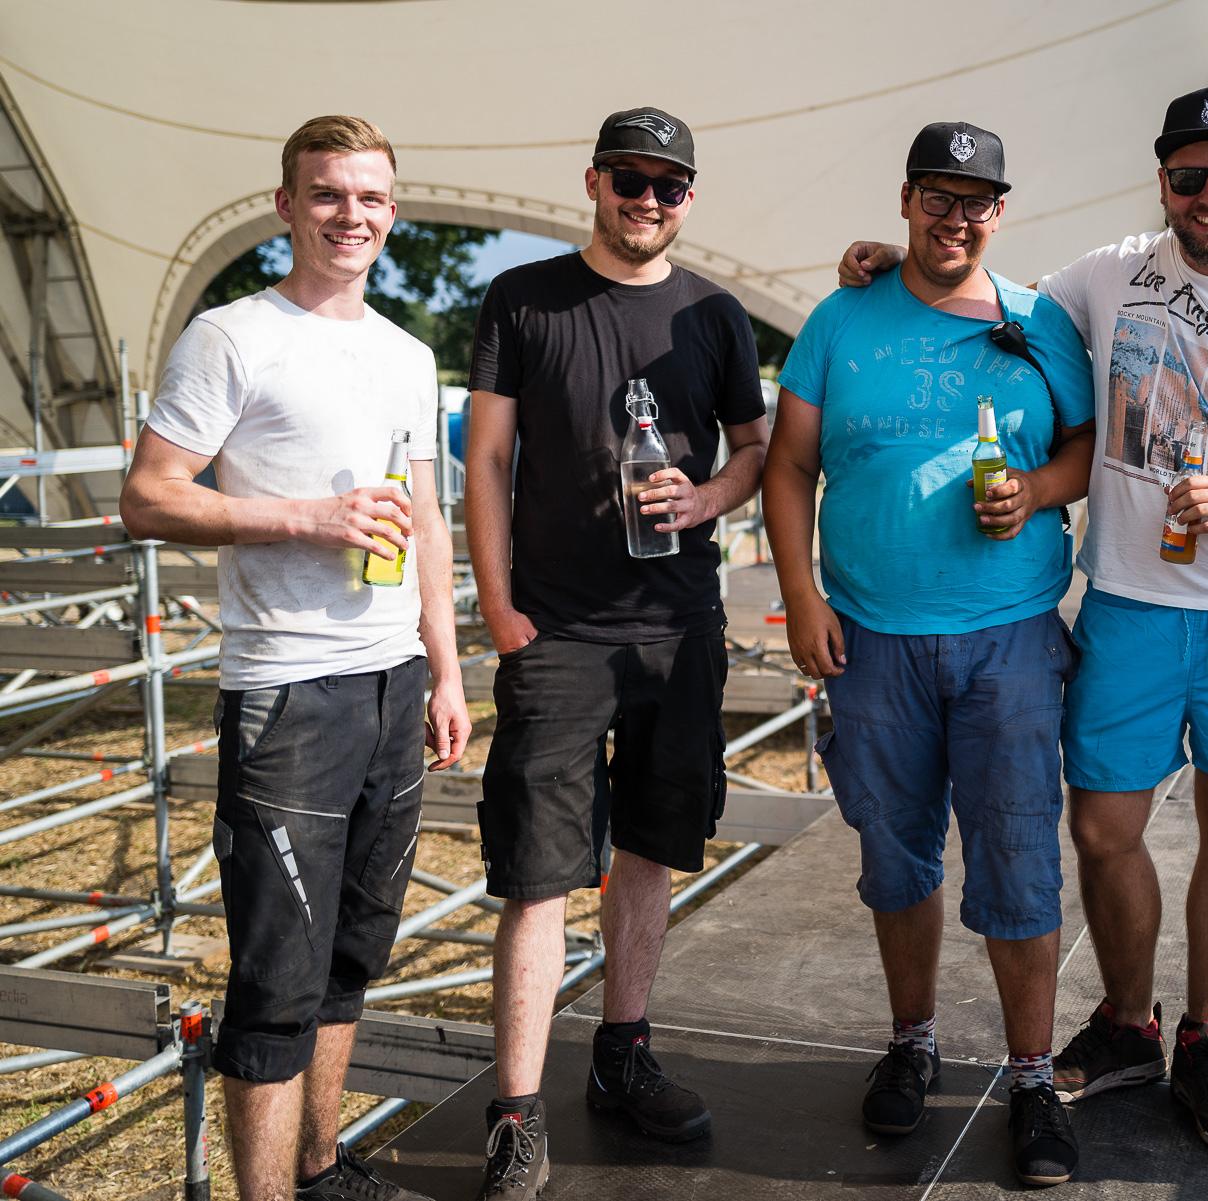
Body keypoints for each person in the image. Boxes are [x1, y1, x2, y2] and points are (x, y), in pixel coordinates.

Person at [839, 86, 1208, 1151]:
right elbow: (990, 296)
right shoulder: (1105, 275)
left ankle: (1207, 1038)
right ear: (1164, 181)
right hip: (1131, 604)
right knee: (1101, 829)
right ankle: (1129, 1020)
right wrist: (890, 267)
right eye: (1191, 177)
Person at [120, 115, 469, 1201]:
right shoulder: (233, 337)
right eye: (326, 194)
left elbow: (426, 512)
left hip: (392, 681)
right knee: (276, 977)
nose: (349, 215)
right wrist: (306, 519)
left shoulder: (408, 353)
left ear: (393, 214)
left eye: (369, 197)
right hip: (287, 689)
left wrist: (446, 664)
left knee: (355, 954)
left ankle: (321, 1171)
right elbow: (146, 496)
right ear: (285, 206)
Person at [767, 119, 1095, 1189]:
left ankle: (1034, 1075)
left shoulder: (1041, 321)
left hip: (1007, 638)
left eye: (978, 201)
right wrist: (799, 594)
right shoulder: (839, 317)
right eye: (938, 198)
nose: (958, 218)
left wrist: (1038, 491)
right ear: (906, 200)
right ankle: (911, 1040)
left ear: (1001, 212)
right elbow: (788, 469)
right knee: (894, 857)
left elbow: (1088, 448)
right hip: (871, 641)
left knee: (1019, 858)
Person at [465, 106, 769, 1200]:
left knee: (649, 850)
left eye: (670, 185)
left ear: (691, 195)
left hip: (678, 631)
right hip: (556, 634)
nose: (649, 200)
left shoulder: (718, 315)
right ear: (593, 181)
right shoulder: (523, 299)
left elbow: (754, 451)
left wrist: (709, 496)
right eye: (631, 180)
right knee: (538, 876)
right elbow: (486, 461)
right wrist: (497, 608)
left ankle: (623, 1055)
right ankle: (515, 1110)